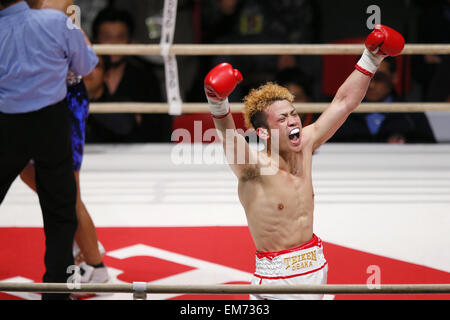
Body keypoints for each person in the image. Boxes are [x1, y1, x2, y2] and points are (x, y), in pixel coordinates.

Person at [204, 24, 404, 300]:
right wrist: (218, 104)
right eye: (282, 119)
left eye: (293, 113)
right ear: (263, 132)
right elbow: (229, 139)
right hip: (277, 279)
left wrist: (371, 58)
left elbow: (343, 103)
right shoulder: (253, 167)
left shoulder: (306, 143)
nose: (293, 121)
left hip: (315, 264)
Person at [0, 0, 98, 300]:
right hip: (50, 124)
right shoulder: (57, 23)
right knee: (60, 210)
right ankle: (56, 292)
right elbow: (85, 67)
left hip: (6, 125)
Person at [20, 0, 110, 288]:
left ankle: (96, 265)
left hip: (63, 100)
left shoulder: (61, 5)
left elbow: (89, 69)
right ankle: (79, 239)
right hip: (34, 98)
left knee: (67, 193)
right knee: (26, 169)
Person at [89, 6, 171, 143]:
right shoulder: (85, 76)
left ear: (130, 40)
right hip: (91, 156)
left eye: (120, 37)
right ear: (96, 40)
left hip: (136, 156)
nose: (114, 44)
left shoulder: (145, 78)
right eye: (107, 37)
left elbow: (156, 129)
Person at [329, 58, 436, 143]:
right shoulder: (339, 112)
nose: (371, 85)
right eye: (365, 77)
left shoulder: (412, 115)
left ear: (394, 78)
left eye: (379, 78)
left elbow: (429, 155)